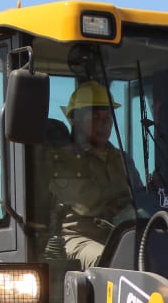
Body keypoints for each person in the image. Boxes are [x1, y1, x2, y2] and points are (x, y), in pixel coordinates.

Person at [47, 81, 140, 268]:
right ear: (75, 119)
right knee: (112, 261)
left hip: (120, 237)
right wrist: (126, 210)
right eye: (96, 117)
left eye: (107, 117)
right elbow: (88, 205)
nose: (104, 124)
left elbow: (139, 198)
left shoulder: (122, 159)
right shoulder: (63, 161)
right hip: (77, 239)